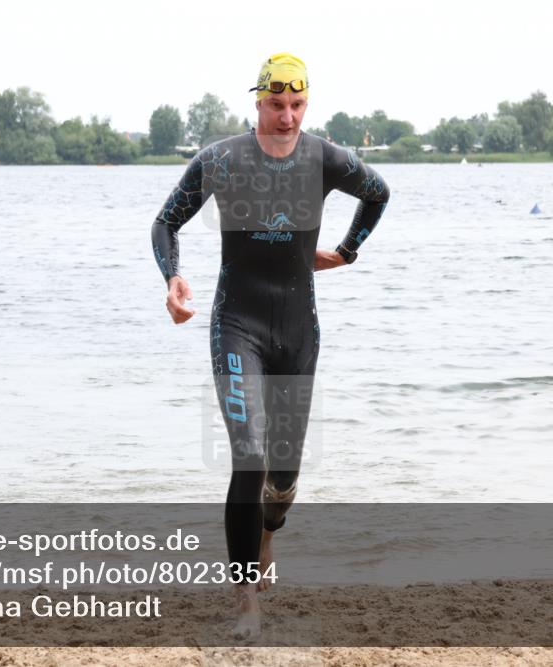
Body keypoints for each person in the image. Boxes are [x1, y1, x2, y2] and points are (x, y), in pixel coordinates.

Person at [150, 52, 390, 638]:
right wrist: (173, 280)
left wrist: (346, 250)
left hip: (298, 333)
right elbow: (165, 224)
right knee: (249, 457)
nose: (286, 117)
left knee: (281, 479)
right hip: (238, 325)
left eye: (297, 105)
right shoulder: (223, 159)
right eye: (276, 104)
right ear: (256, 101)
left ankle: (269, 535)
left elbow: (379, 193)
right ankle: (246, 602)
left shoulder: (324, 158)